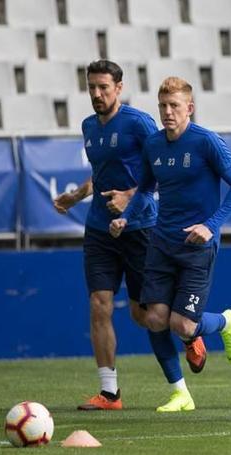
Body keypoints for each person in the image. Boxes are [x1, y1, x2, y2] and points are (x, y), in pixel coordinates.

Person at [52, 60, 207, 411]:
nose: (96, 93)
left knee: (146, 315)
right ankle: (110, 393)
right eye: (91, 86)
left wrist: (129, 197)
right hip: (99, 229)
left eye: (103, 87)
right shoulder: (88, 126)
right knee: (99, 304)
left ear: (119, 88)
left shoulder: (138, 123)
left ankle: (191, 333)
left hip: (140, 229)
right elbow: (100, 174)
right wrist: (76, 196)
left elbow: (159, 168)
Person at [110, 76, 231, 412]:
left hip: (197, 246)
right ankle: (180, 393)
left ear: (190, 108)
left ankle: (227, 321)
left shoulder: (207, 142)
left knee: (182, 324)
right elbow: (145, 189)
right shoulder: (154, 145)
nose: (168, 112)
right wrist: (126, 217)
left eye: (175, 106)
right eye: (163, 106)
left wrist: (210, 225)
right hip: (161, 243)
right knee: (153, 319)